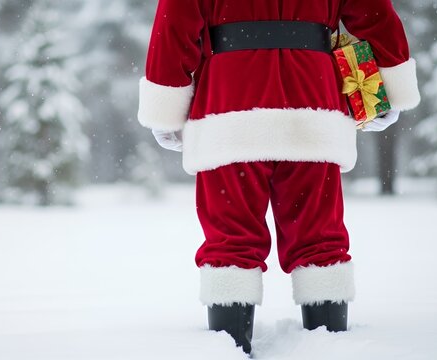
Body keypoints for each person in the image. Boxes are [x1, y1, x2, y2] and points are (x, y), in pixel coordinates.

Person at [137, 0, 420, 354]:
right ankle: (328, 347)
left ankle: (228, 347)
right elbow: (374, 15)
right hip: (312, 93)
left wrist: (166, 103)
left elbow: (174, 22)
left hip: (231, 97)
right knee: (319, 235)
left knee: (231, 236)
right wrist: (388, 86)